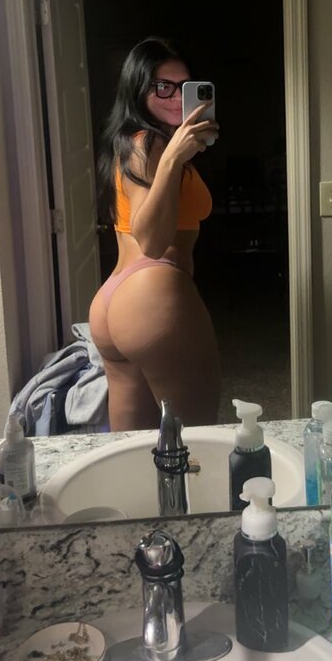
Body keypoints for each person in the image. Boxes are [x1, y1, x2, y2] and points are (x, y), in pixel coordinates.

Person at [89, 38, 221, 431]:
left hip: (113, 302)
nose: (176, 96)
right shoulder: (153, 143)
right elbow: (151, 240)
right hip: (154, 297)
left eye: (184, 86)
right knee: (194, 441)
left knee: (129, 450)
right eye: (163, 86)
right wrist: (175, 157)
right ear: (138, 89)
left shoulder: (130, 141)